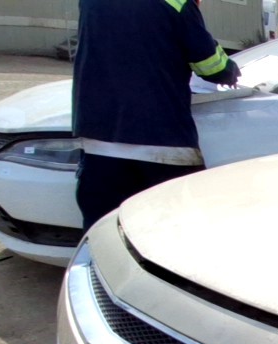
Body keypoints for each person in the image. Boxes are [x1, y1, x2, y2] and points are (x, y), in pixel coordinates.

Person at [72, 0, 241, 230]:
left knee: (104, 233)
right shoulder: (177, 3)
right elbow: (211, 66)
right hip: (162, 142)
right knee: (171, 234)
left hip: (99, 140)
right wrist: (230, 70)